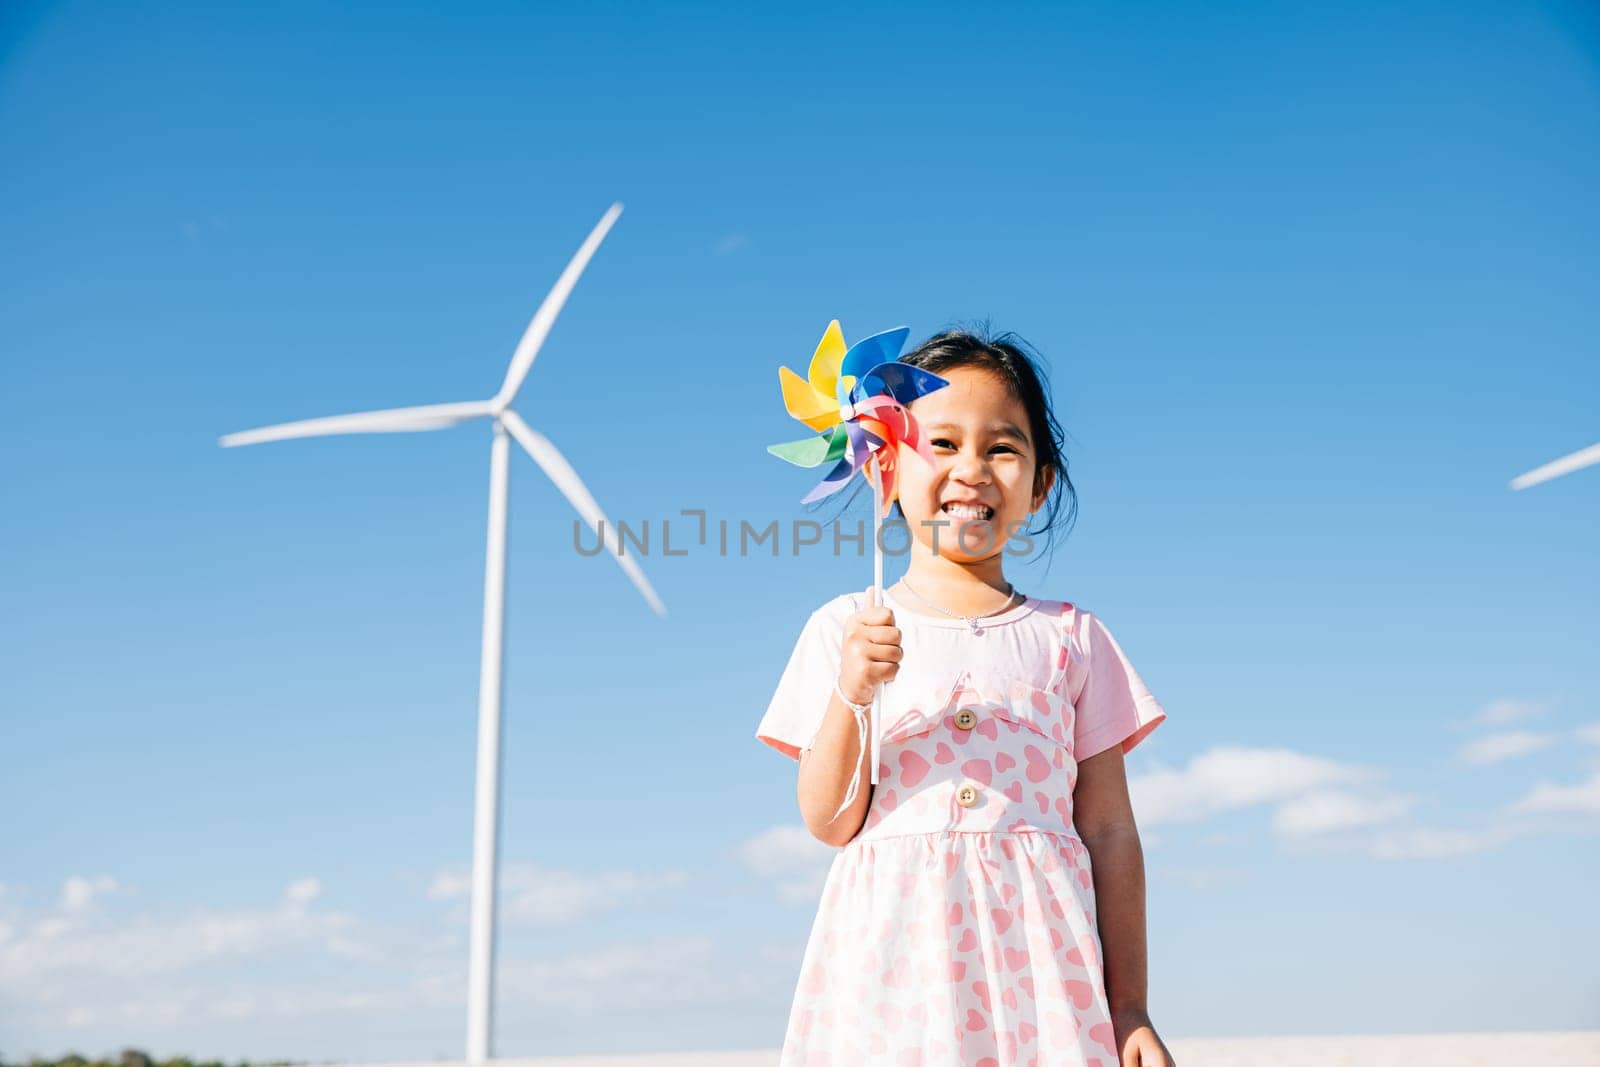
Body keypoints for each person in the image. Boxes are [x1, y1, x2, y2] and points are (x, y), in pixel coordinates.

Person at [755, 327, 1178, 1066]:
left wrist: (1129, 1005)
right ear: (881, 464)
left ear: (1041, 481)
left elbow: (1110, 831)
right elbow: (828, 818)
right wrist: (854, 689)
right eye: (941, 443)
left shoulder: (1073, 637)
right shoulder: (846, 627)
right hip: (893, 962)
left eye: (1003, 447)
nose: (972, 469)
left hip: (1039, 962)